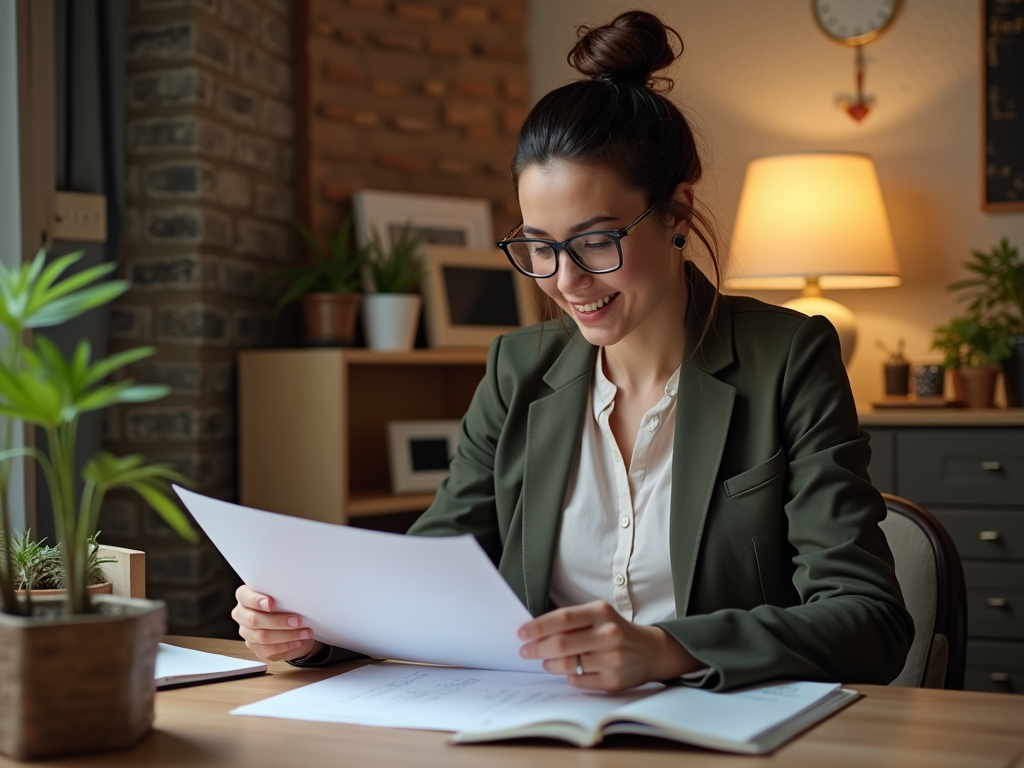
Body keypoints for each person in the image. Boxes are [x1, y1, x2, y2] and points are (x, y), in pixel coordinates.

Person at [232, 10, 913, 693]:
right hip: (536, 725)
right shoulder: (517, 369)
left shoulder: (788, 357)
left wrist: (666, 649)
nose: (564, 280)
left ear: (676, 214)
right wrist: (315, 629)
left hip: (723, 731)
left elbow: (869, 620)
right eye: (539, 246)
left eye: (595, 241)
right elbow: (429, 575)